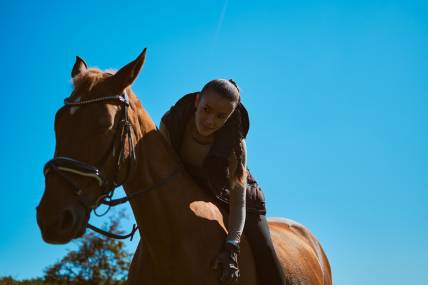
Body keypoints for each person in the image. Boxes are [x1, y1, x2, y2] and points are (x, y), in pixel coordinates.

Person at [159, 79, 285, 284]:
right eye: (206, 109)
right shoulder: (171, 123)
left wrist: (233, 246)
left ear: (231, 116)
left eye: (220, 116)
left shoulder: (237, 146)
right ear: (197, 101)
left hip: (238, 198)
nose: (209, 121)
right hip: (193, 189)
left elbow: (239, 202)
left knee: (265, 250)